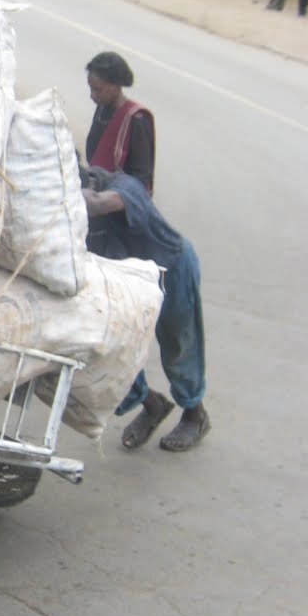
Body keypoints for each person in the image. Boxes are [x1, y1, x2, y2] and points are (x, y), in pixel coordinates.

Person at [81, 167, 211, 452]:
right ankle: (152, 405)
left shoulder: (124, 187)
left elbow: (102, 202)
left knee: (179, 345)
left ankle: (195, 413)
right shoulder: (75, 223)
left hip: (170, 271)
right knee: (118, 355)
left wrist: (76, 198)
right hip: (125, 286)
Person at [84, 51, 155, 194]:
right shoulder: (102, 109)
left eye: (98, 90)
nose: (92, 95)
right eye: (91, 89)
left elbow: (141, 179)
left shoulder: (137, 120)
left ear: (116, 87)